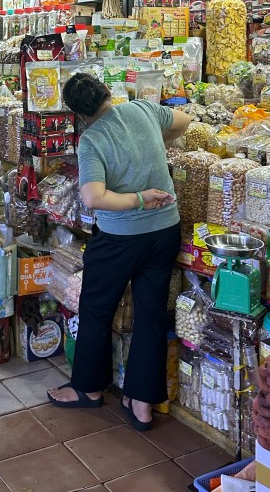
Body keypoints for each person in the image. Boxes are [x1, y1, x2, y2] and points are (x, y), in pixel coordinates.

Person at [47, 72, 192, 431]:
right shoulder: (143, 109)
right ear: (108, 93)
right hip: (165, 230)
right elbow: (184, 120)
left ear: (78, 114)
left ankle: (88, 388)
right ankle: (142, 403)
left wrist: (139, 199)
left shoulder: (92, 139)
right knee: (151, 313)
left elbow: (93, 197)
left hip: (120, 238)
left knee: (96, 309)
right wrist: (151, 144)